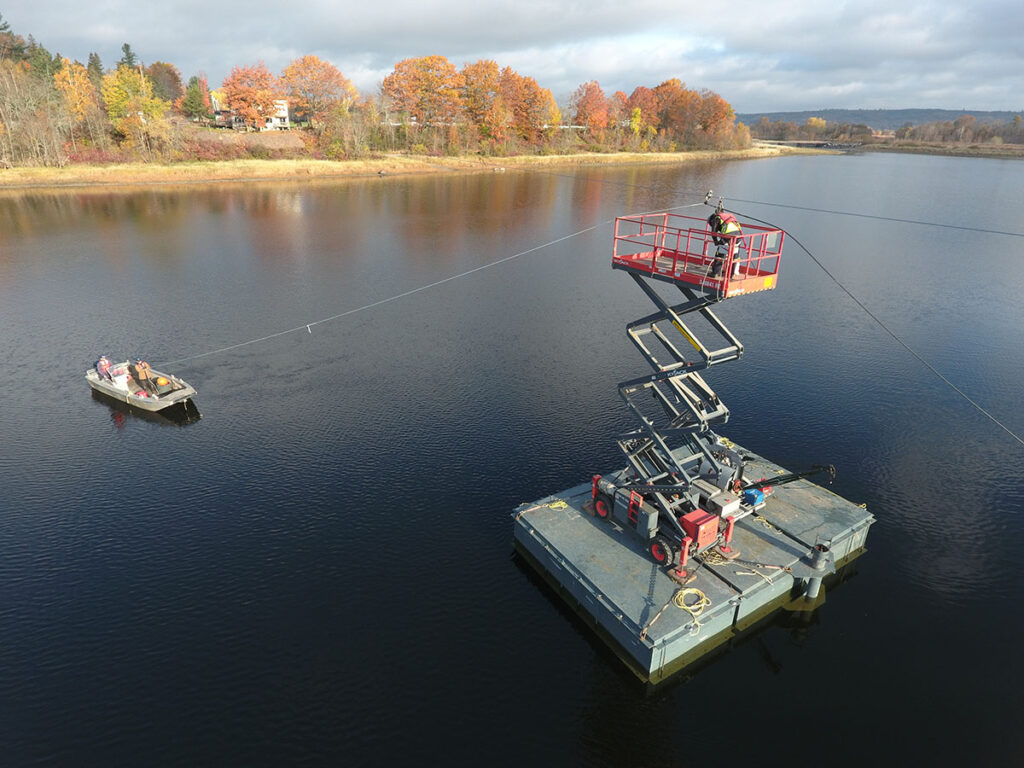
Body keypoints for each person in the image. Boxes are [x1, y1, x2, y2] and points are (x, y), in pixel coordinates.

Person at [707, 207, 742, 278]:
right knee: (734, 254)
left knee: (720, 253)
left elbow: (713, 233)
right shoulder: (728, 216)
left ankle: (715, 273)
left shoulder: (716, 219)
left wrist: (716, 241)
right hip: (738, 236)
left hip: (728, 236)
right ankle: (731, 274)